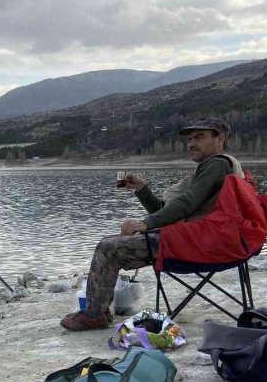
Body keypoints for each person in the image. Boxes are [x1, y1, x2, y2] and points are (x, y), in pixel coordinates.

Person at [61, 118, 240, 331]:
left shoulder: (217, 164)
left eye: (199, 137)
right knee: (113, 243)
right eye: (190, 139)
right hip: (200, 239)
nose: (191, 143)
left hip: (198, 245)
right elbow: (169, 211)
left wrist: (146, 224)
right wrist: (142, 190)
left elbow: (186, 203)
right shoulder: (214, 167)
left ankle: (93, 315)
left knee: (108, 248)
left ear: (220, 139)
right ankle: (97, 310)